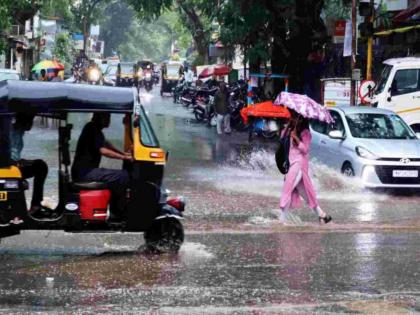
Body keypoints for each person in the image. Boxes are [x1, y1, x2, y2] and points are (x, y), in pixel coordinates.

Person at [71, 113, 132, 221]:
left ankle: (116, 210)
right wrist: (124, 158)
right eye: (107, 117)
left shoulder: (94, 129)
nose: (109, 120)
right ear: (100, 117)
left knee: (120, 175)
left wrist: (123, 154)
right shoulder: (92, 128)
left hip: (85, 171)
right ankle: (117, 214)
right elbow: (103, 150)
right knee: (122, 176)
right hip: (85, 173)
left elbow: (106, 144)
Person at [279, 112, 332, 224]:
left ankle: (281, 221)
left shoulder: (305, 133)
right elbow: (282, 140)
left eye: (294, 117)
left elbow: (305, 149)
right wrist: (287, 128)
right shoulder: (290, 129)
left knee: (287, 189)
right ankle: (322, 216)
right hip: (291, 164)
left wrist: (297, 139)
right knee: (305, 193)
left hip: (299, 164)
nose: (291, 118)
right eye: (291, 117)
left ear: (301, 119)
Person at [9, 114, 49, 220]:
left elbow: (13, 153)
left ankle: (36, 205)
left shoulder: (18, 131)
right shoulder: (10, 132)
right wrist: (15, 163)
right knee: (41, 166)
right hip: (9, 168)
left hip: (13, 165)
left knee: (40, 164)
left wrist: (20, 161)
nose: (31, 124)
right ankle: (36, 205)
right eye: (30, 120)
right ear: (24, 121)